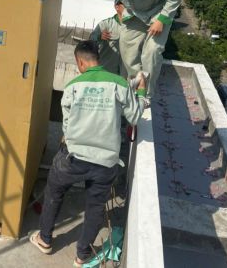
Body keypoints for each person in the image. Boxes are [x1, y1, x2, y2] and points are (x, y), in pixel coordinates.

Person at [30, 40, 146, 266]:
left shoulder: (73, 85)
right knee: (95, 207)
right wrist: (141, 91)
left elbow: (66, 124)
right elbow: (134, 117)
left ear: (80, 62)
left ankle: (45, 239)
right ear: (97, 60)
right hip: (105, 162)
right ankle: (82, 256)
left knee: (54, 192)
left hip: (73, 158)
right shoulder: (119, 83)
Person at [55, 0, 182, 99]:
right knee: (127, 52)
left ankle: (145, 95)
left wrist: (161, 20)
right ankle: (136, 86)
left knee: (151, 53)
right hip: (135, 14)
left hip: (157, 14)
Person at [89, 0, 131, 76]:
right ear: (117, 7)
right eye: (126, 4)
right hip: (106, 70)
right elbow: (91, 40)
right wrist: (99, 37)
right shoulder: (105, 24)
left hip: (125, 73)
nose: (129, 7)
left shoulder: (135, 26)